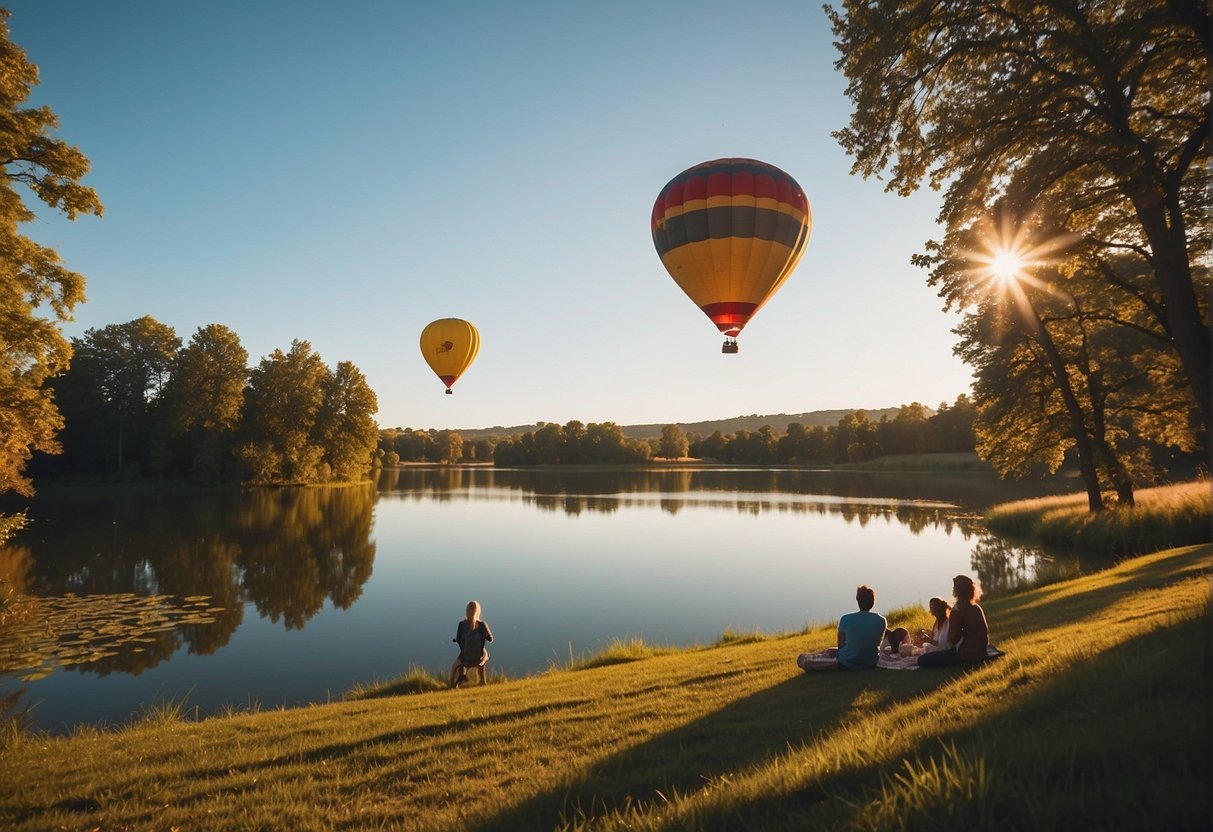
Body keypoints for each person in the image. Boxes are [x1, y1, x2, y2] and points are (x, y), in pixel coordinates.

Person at [917, 576, 988, 668]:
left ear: (956, 591)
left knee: (922, 659)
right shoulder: (976, 608)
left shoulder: (957, 610)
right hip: (982, 652)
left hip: (965, 655)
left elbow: (952, 640)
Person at [833, 585, 888, 670]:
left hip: (847, 663)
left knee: (831, 651)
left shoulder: (845, 619)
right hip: (871, 662)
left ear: (858, 600)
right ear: (873, 601)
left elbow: (840, 646)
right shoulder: (881, 620)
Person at [449, 600, 493, 688]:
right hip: (479, 658)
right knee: (485, 654)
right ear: (478, 612)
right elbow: (490, 639)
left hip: (465, 658)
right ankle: (482, 680)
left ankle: (451, 684)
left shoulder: (461, 624)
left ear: (466, 611)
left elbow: (458, 640)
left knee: (454, 666)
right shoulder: (483, 624)